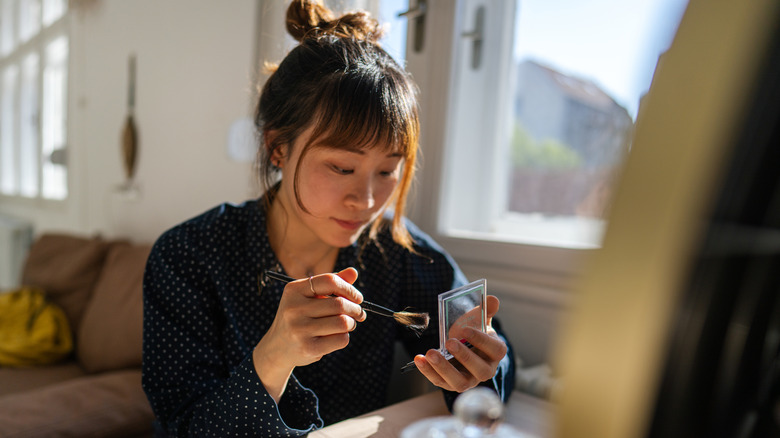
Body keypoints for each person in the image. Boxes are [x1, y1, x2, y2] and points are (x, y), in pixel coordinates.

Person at [141, 1, 515, 436]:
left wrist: (479, 367)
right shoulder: (188, 257)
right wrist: (273, 358)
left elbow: (493, 355)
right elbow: (183, 426)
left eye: (388, 170)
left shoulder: (396, 251)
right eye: (341, 168)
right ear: (277, 148)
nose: (367, 200)